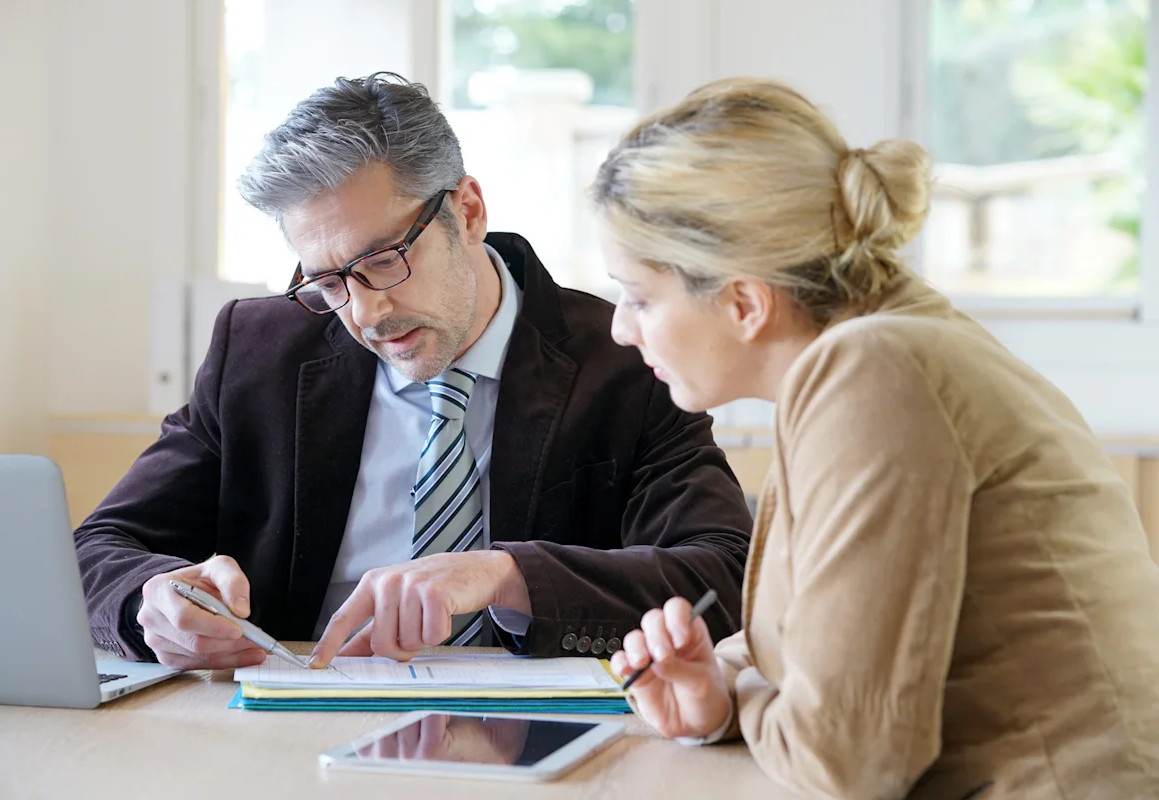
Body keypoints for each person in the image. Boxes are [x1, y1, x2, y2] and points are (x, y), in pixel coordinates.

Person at [74, 74, 754, 671]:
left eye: (384, 259)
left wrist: (510, 576)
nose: (367, 311)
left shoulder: (628, 360)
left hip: (544, 734)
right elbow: (95, 549)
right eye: (329, 280)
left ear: (468, 211)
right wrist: (149, 601)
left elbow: (724, 577)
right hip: (285, 726)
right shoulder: (258, 350)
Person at [597, 78, 1159, 799]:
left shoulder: (875, 372)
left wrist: (738, 699)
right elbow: (813, 656)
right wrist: (717, 689)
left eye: (640, 297)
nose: (619, 327)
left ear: (743, 301)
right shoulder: (880, 347)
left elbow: (849, 760)